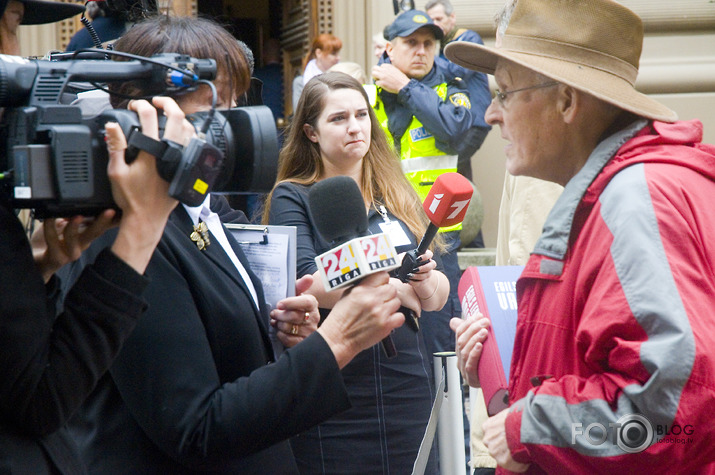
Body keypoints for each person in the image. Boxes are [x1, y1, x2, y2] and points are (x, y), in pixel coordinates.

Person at [59, 16, 404, 474]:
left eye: (235, 102)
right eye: (212, 107)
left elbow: (224, 354)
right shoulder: (128, 236)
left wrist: (278, 335)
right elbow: (195, 426)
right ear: (144, 116)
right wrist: (336, 341)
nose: (234, 124)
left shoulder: (198, 211)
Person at [446, 0, 715, 473]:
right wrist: (503, 373)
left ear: (567, 101)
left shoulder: (633, 201)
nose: (491, 114)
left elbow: (669, 415)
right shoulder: (623, 192)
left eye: (505, 93)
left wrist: (526, 428)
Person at [263, 71, 449, 474]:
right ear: (311, 133)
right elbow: (308, 280)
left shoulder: (394, 192)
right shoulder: (292, 194)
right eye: (338, 118)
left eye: (362, 115)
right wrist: (395, 288)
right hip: (337, 384)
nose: (354, 127)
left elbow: (435, 292)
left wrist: (426, 282)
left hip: (407, 384)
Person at [371, 8, 490, 361]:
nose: (421, 50)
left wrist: (406, 88)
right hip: (380, 231)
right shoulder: (366, 95)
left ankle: (452, 417)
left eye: (428, 43)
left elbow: (456, 132)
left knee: (440, 339)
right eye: (411, 43)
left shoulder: (451, 88)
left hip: (437, 233)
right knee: (388, 336)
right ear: (390, 49)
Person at [291, 33, 342, 112]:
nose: (338, 58)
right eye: (333, 54)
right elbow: (299, 114)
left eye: (338, 53)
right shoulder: (301, 82)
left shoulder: (344, 77)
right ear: (318, 53)